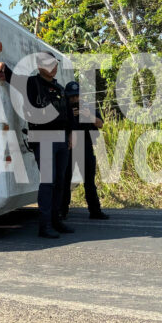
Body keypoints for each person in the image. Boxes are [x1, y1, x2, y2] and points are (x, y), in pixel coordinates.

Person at [0, 51, 74, 238]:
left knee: (61, 182)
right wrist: (3, 67)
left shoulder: (60, 89)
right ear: (39, 66)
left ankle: (56, 220)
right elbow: (12, 78)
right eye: (48, 63)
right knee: (48, 181)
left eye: (55, 64)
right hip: (43, 137)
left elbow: (68, 115)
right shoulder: (31, 83)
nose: (53, 67)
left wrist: (70, 135)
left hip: (62, 139)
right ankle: (45, 226)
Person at [59, 81, 109, 221]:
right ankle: (62, 211)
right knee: (65, 180)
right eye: (72, 97)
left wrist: (89, 116)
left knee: (89, 181)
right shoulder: (63, 108)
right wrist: (69, 115)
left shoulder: (88, 107)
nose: (75, 99)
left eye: (77, 96)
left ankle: (95, 211)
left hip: (85, 145)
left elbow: (100, 124)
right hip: (68, 146)